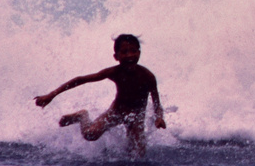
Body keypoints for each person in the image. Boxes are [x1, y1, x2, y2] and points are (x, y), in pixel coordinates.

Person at [34, 34, 165, 157]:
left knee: (138, 154)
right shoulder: (114, 72)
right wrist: (51, 95)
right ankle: (82, 116)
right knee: (90, 135)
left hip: (136, 116)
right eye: (124, 52)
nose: (129, 55)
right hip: (117, 111)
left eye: (133, 51)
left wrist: (159, 118)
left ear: (139, 53)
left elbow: (156, 103)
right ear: (116, 56)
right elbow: (80, 79)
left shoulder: (148, 76)